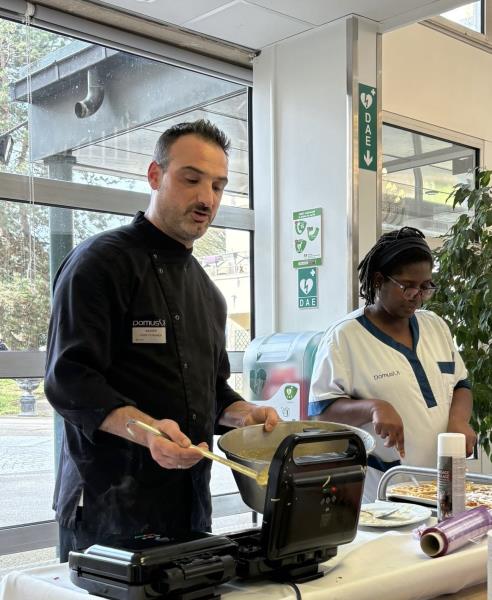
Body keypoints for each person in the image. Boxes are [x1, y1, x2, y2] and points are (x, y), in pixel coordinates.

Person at [44, 119, 279, 561]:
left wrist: (243, 414)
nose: (207, 198)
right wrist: (149, 432)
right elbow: (70, 380)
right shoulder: (99, 263)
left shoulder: (208, 293)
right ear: (155, 175)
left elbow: (211, 393)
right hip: (107, 506)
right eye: (191, 180)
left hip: (187, 505)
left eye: (218, 186)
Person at [308, 226, 476, 500]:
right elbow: (321, 412)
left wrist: (458, 421)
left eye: (425, 287)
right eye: (407, 286)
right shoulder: (345, 337)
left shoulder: (434, 326)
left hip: (442, 484)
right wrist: (374, 407)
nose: (417, 296)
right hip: (384, 490)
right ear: (378, 280)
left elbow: (460, 385)